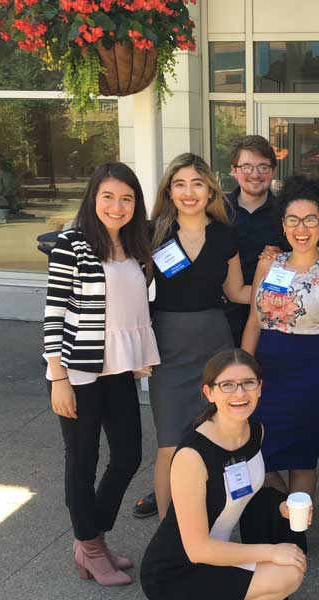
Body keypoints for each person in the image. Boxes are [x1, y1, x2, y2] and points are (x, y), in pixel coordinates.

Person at [43, 162, 160, 586]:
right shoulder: (71, 245)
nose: (117, 205)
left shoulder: (135, 246)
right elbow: (54, 313)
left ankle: (91, 536)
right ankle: (91, 548)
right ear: (93, 198)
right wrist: (57, 377)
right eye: (108, 196)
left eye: (126, 198)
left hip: (119, 371)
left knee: (128, 455)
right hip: (79, 372)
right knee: (82, 461)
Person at [136, 153, 252, 521]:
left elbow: (236, 292)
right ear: (169, 191)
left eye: (197, 184)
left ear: (210, 190)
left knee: (214, 438)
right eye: (180, 184)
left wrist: (284, 276)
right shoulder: (153, 232)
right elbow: (136, 290)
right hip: (168, 350)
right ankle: (169, 536)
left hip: (215, 347)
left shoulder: (225, 234)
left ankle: (210, 520)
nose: (189, 192)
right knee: (170, 444)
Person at [140, 350, 307, 600]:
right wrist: (270, 551)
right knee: (285, 574)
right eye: (227, 385)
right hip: (177, 571)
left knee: (289, 567)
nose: (239, 393)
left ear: (260, 388)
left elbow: (245, 491)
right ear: (209, 392)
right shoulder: (192, 456)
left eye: (248, 383)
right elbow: (197, 550)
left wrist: (281, 506)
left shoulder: (255, 430)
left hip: (219, 552)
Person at [242, 174, 319, 501]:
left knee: (302, 461)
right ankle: (277, 514)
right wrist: (242, 374)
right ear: (283, 223)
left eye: (309, 220)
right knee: (257, 454)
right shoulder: (268, 264)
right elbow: (252, 320)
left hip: (309, 374)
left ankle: (296, 532)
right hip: (264, 371)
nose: (300, 228)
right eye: (293, 219)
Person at [224, 135, 285, 346]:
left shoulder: (287, 215)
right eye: (247, 167)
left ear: (273, 171)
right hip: (224, 321)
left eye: (263, 167)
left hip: (274, 319)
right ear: (234, 170)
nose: (255, 174)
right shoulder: (217, 213)